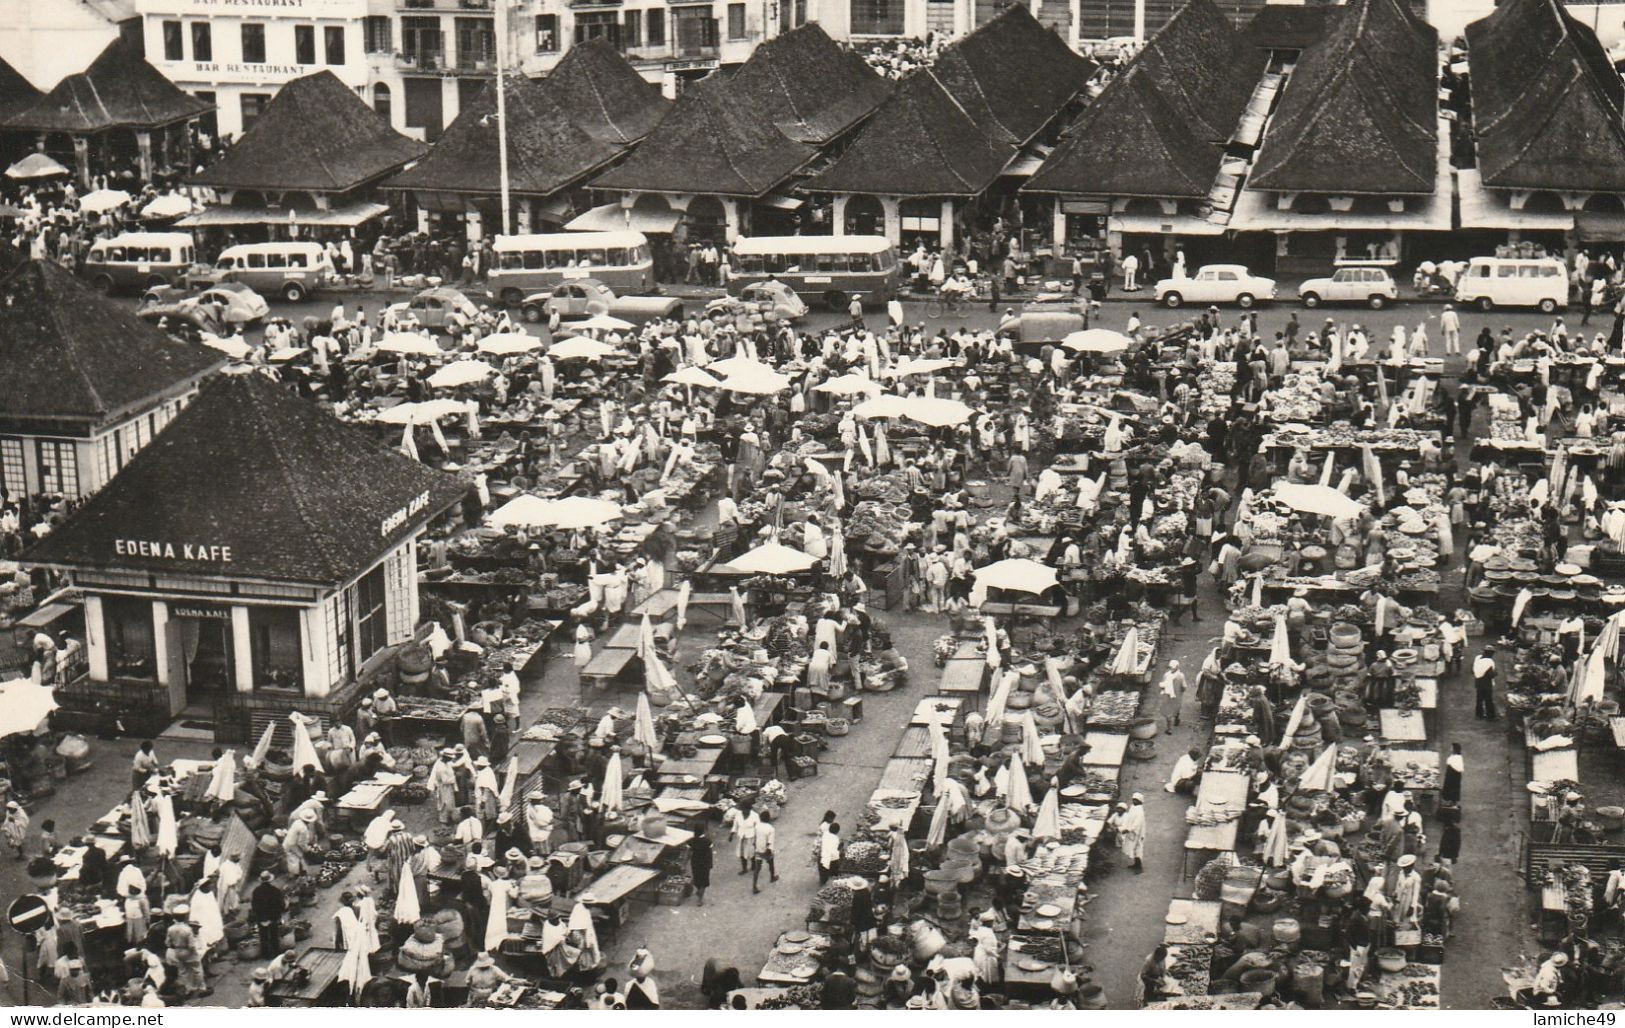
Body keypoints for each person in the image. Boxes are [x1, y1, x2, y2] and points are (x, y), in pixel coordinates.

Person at [250, 871, 286, 959]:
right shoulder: (275, 890)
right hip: (273, 917)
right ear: (270, 880)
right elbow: (281, 905)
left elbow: (254, 906)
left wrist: (258, 916)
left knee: (263, 936)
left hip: (261, 917)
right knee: (274, 934)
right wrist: (279, 913)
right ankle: (276, 951)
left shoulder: (256, 891)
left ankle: (266, 954)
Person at [1111, 794, 1147, 872]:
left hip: (1137, 833)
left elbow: (1137, 823)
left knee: (1137, 849)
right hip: (1132, 832)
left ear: (1140, 801)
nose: (1134, 801)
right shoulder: (1133, 808)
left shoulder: (1139, 811)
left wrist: (1128, 829)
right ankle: (1136, 864)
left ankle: (1139, 867)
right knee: (1133, 849)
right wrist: (1122, 828)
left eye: (1136, 800)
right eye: (1133, 799)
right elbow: (1128, 820)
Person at [752, 810, 778, 893]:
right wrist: (769, 850)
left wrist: (755, 846)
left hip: (758, 849)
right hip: (766, 850)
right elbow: (770, 841)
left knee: (757, 868)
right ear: (769, 818)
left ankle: (754, 886)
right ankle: (772, 877)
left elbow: (754, 838)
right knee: (771, 864)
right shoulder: (771, 828)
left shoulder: (757, 826)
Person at [1473, 645, 1499, 720]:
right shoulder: (1489, 662)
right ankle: (1491, 716)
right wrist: (1496, 673)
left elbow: (1472, 670)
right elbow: (1491, 675)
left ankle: (1478, 715)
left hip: (1478, 682)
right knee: (1488, 699)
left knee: (1479, 699)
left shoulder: (1477, 658)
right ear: (1490, 653)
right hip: (1486, 683)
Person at [690, 830, 713, 907]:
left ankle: (698, 890)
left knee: (697, 878)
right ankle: (699, 900)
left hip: (695, 863)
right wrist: (710, 863)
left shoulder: (692, 841)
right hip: (705, 863)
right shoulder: (707, 841)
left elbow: (688, 852)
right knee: (704, 880)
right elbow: (710, 853)